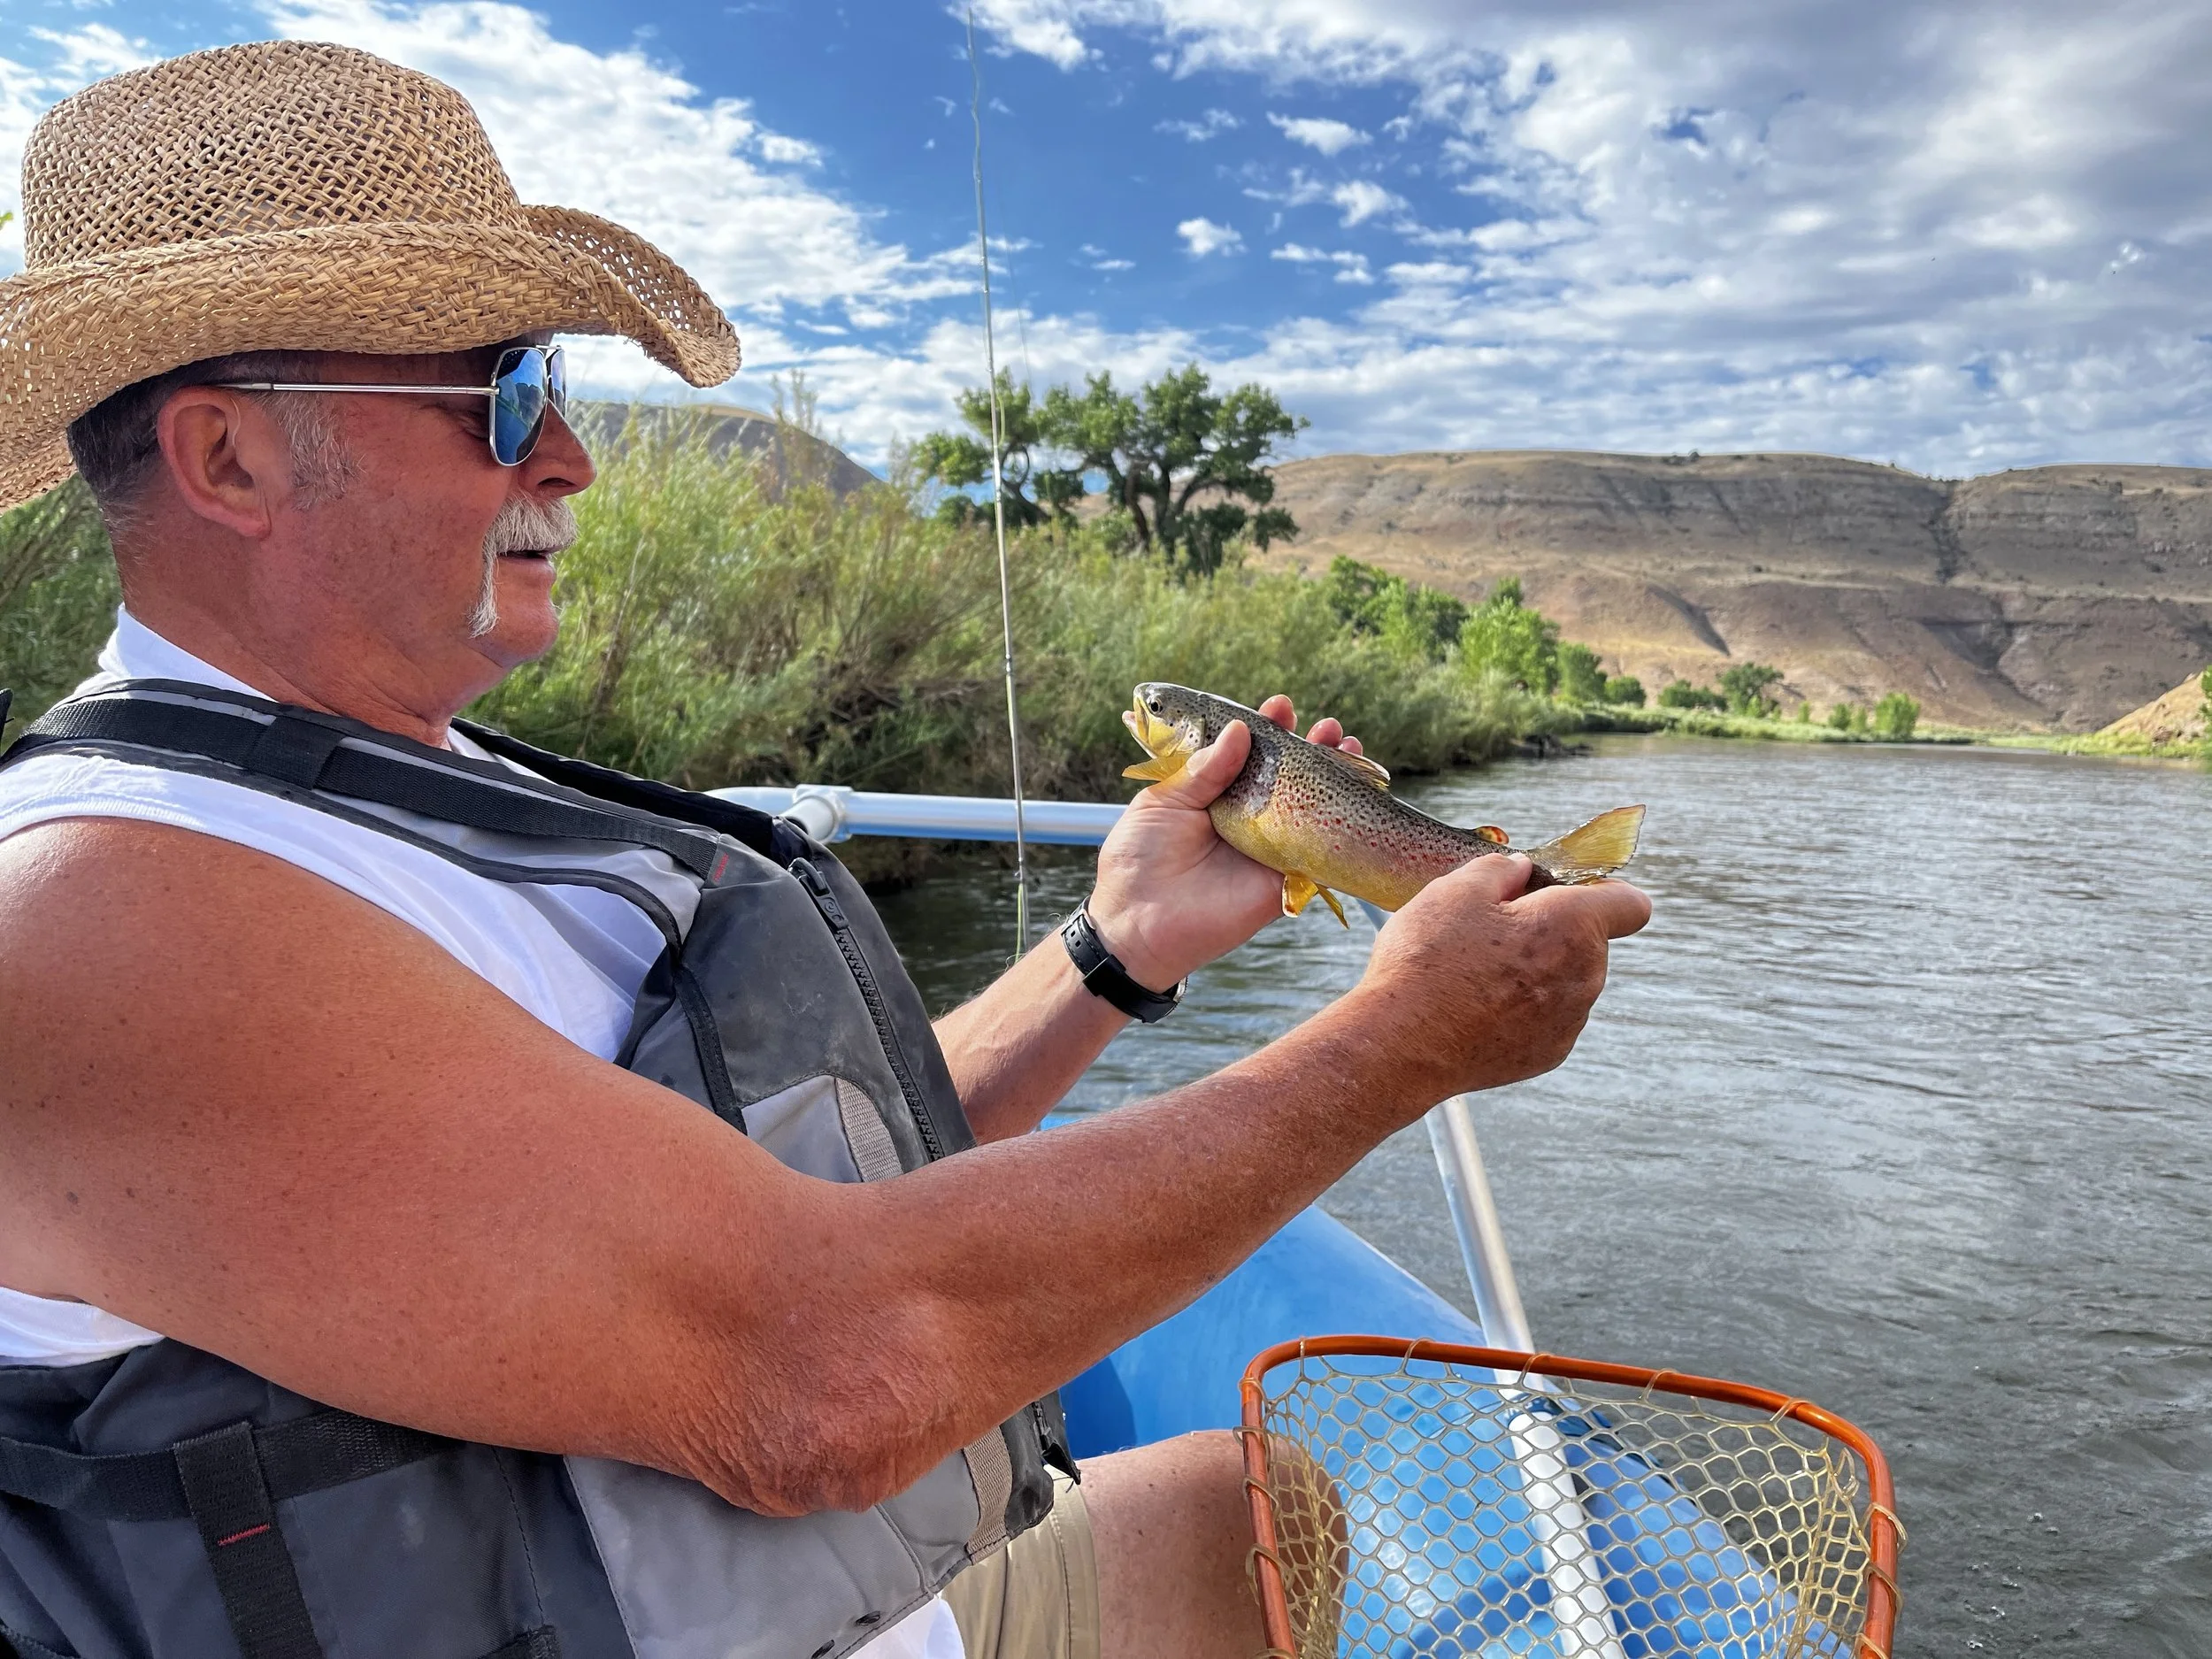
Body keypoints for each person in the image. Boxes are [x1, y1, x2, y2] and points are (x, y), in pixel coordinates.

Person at [0, 41, 1650, 1659]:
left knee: (1254, 1508)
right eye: (505, 393)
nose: (571, 453)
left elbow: (776, 1199)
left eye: (559, 386)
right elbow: (819, 1384)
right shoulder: (102, 915)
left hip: (812, 1592)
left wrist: (1116, 950)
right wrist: (1401, 1045)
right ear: (230, 457)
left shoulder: (392, 788)